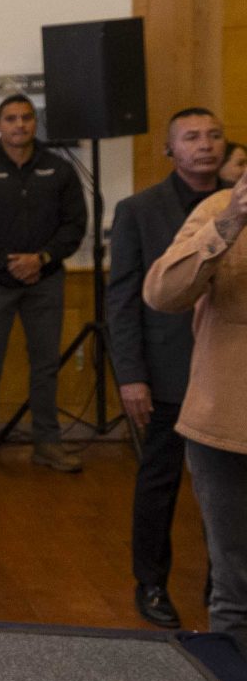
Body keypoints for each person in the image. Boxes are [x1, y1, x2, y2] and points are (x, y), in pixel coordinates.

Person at [108, 108, 231, 627]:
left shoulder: (235, 203)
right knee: (159, 482)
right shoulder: (138, 210)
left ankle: (223, 584)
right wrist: (131, 375)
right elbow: (122, 299)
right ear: (170, 150)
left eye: (214, 135)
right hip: (166, 371)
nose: (205, 145)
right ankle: (152, 583)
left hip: (227, 374)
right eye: (192, 137)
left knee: (227, 488)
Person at [0, 94, 87, 473]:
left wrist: (40, 259)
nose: (19, 124)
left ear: (35, 123)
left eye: (26, 117)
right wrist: (8, 262)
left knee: (45, 366)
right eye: (10, 118)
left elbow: (75, 225)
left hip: (45, 280)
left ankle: (47, 443)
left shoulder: (60, 170)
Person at [144, 171, 247, 641]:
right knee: (236, 587)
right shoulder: (220, 208)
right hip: (226, 428)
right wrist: (230, 222)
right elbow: (162, 293)